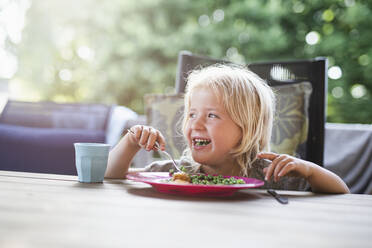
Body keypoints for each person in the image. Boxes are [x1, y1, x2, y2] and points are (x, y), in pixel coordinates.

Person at [105, 64, 349, 194]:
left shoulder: (269, 174)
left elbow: (341, 192)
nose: (196, 124)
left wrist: (308, 171)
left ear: (247, 128)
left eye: (212, 115)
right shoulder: (177, 171)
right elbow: (111, 176)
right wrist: (130, 142)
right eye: (191, 114)